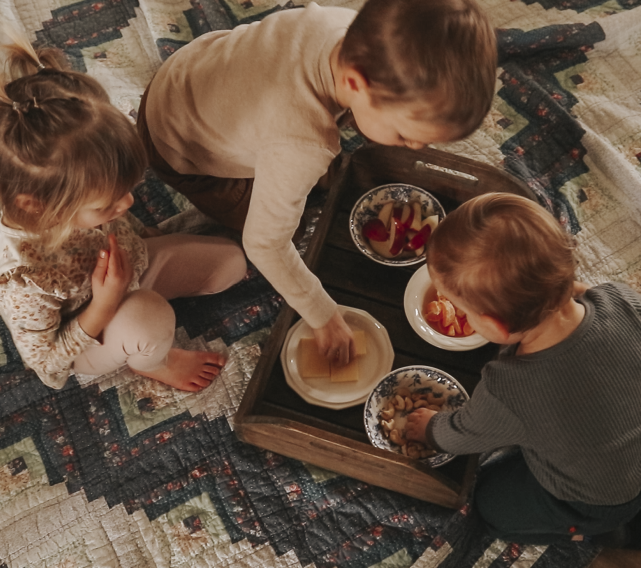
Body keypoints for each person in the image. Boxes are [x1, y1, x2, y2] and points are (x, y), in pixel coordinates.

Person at [136, 0, 497, 366]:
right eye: (405, 136)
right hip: (178, 149)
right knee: (289, 229)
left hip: (184, 74)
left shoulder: (346, 25)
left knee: (314, 168)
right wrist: (321, 312)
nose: (415, 147)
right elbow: (264, 244)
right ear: (357, 82)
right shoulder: (301, 144)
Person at [0, 37, 248, 391]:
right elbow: (48, 364)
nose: (126, 203)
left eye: (125, 191)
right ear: (36, 204)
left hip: (133, 269)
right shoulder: (22, 281)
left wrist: (143, 236)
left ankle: (144, 309)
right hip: (91, 334)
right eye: (107, 204)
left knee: (232, 262)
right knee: (148, 316)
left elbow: (120, 221)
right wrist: (106, 303)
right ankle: (155, 362)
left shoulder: (84, 195)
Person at [405, 193, 641, 549]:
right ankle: (629, 509)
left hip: (589, 499)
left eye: (462, 310)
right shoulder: (620, 299)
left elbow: (464, 433)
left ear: (495, 328)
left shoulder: (507, 389)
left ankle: (593, 532)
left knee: (490, 505)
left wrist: (431, 429)